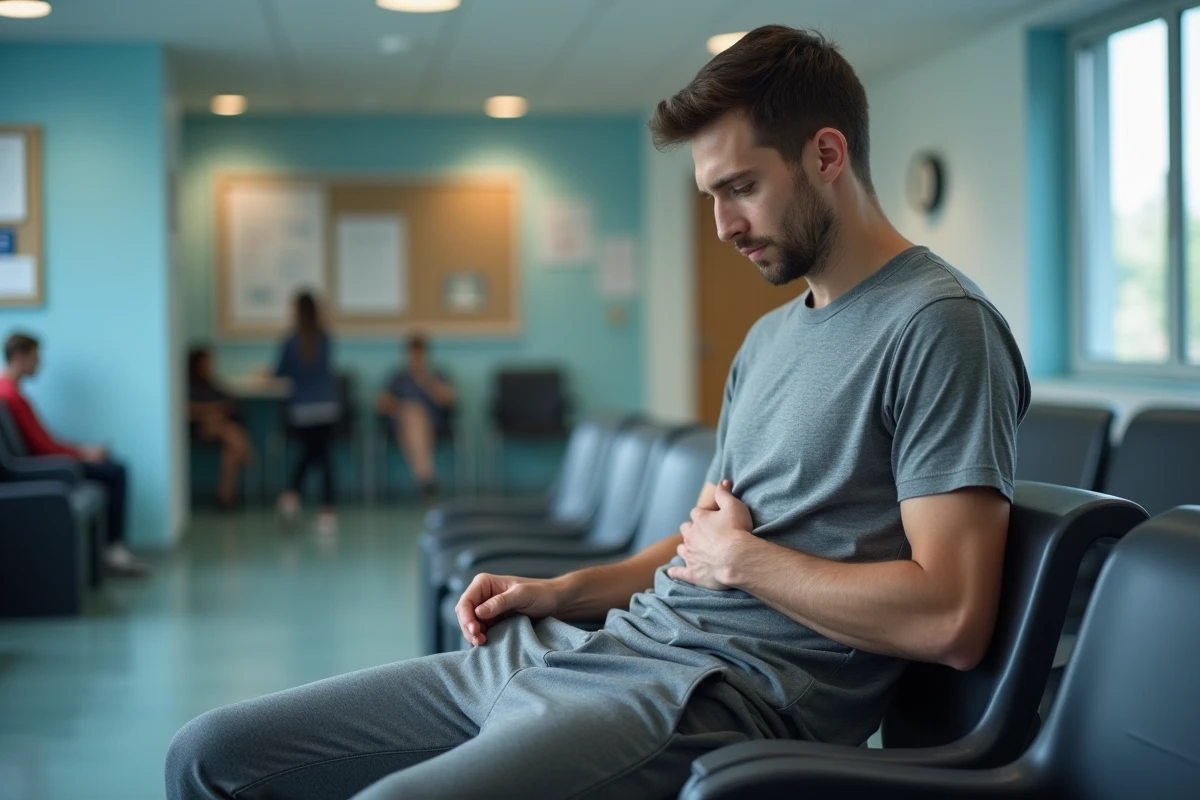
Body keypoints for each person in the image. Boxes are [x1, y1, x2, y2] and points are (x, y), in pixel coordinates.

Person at [166, 26, 1029, 799]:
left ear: (827, 154)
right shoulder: (768, 339)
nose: (723, 225)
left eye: (741, 188)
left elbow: (950, 617)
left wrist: (744, 562)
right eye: (709, 195)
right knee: (211, 755)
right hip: (587, 651)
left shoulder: (939, 326)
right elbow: (698, 549)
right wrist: (560, 592)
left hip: (708, 697)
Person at [0, 332, 152, 577]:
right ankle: (112, 551)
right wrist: (84, 453)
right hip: (43, 469)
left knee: (111, 467)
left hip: (48, 461)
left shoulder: (10, 392)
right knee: (115, 471)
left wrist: (83, 451)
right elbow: (41, 447)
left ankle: (109, 550)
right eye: (36, 357)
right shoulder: (11, 396)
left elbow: (44, 441)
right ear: (19, 357)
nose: (40, 364)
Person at [274, 292, 341, 535]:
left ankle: (291, 495)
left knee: (310, 453)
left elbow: (281, 371)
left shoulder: (291, 341)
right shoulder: (324, 338)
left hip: (302, 408)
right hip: (327, 406)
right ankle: (325, 512)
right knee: (321, 457)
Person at [375, 335, 455, 501]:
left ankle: (425, 478)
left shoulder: (436, 376)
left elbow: (449, 400)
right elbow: (380, 404)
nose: (416, 359)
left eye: (420, 355)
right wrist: (402, 407)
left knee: (416, 417)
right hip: (402, 424)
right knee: (412, 415)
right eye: (413, 355)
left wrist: (428, 382)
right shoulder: (398, 378)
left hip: (432, 425)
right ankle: (428, 477)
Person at [187, 346, 255, 509]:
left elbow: (229, 403)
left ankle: (225, 496)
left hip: (218, 428)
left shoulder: (211, 385)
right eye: (206, 363)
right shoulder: (187, 386)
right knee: (232, 434)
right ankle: (247, 452)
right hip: (199, 429)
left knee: (232, 449)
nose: (210, 366)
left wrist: (218, 410)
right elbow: (188, 410)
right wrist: (211, 411)